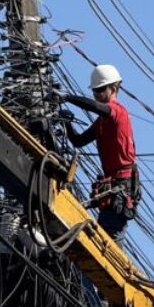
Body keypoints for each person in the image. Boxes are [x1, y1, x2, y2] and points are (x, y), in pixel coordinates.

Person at [56, 64, 140, 241]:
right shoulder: (102, 122)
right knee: (102, 237)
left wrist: (67, 97)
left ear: (114, 88)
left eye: (101, 90)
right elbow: (78, 141)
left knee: (107, 240)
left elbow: (97, 107)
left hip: (122, 186)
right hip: (112, 187)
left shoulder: (118, 112)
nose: (97, 96)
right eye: (95, 92)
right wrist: (65, 122)